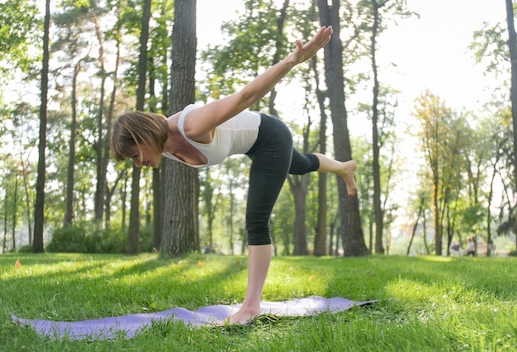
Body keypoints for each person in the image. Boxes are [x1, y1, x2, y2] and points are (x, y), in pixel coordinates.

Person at [110, 26, 357, 324]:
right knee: (302, 163)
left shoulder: (192, 126)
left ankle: (252, 306)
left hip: (269, 137)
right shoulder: (160, 146)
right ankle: (344, 167)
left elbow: (245, 96)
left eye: (136, 155)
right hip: (252, 142)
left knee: (256, 219)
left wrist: (293, 60)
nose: (138, 164)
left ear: (144, 136)